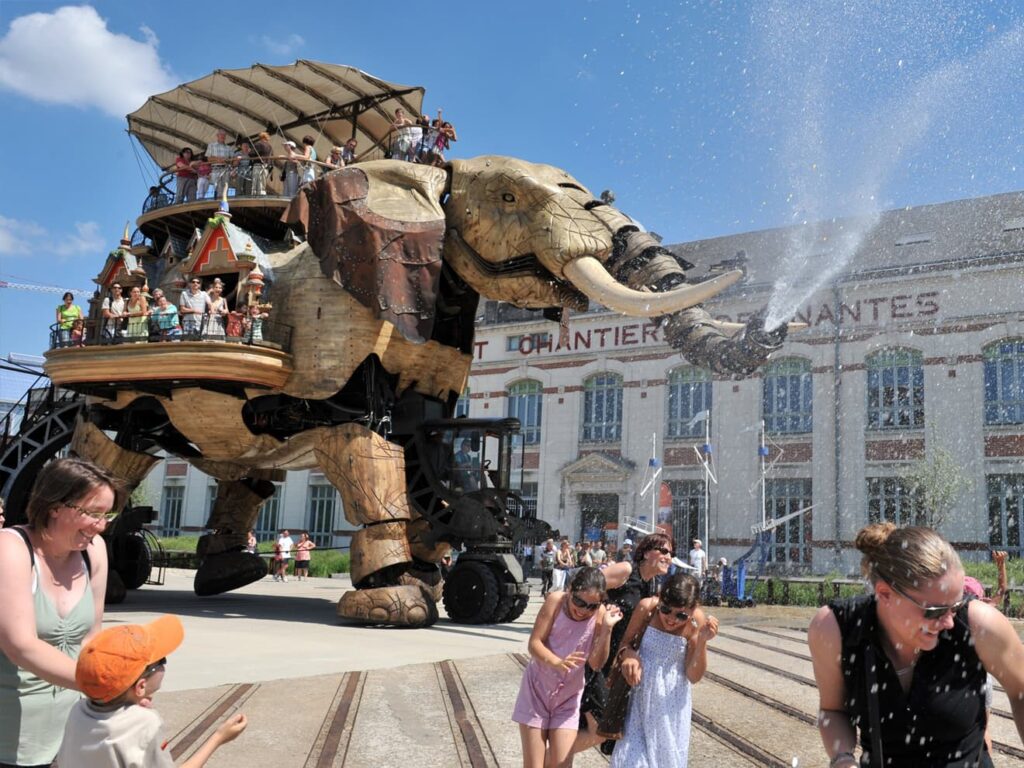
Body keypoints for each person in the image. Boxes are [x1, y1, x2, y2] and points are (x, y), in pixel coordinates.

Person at [808, 523, 1024, 768]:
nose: (950, 622)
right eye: (934, 611)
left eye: (955, 606)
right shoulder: (836, 629)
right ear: (884, 594)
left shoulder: (979, 625)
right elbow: (833, 710)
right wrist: (842, 759)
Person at [0, 458, 122, 767]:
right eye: (92, 513)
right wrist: (102, 684)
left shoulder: (95, 552)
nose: (101, 524)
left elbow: (91, 637)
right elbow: (21, 645)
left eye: (107, 514)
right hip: (12, 739)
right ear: (54, 506)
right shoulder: (10, 548)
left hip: (71, 734)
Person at [57, 614, 247, 767]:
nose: (164, 664)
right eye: (161, 661)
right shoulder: (146, 723)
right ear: (140, 686)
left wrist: (132, 704)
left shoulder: (78, 711)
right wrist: (219, 737)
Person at [512, 567, 622, 768]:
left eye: (591, 606)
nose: (583, 610)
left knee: (561, 764)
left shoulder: (600, 614)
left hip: (568, 698)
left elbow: (596, 664)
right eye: (579, 602)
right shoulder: (556, 601)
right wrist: (557, 662)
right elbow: (534, 643)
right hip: (536, 692)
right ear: (570, 590)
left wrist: (607, 628)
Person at [610, 572, 718, 767]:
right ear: (659, 598)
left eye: (681, 615)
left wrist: (701, 641)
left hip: (671, 705)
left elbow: (693, 676)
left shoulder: (697, 621)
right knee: (630, 762)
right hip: (639, 701)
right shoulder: (646, 608)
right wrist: (629, 656)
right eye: (666, 609)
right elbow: (623, 645)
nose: (671, 619)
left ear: (693, 609)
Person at [206, 130, 233, 198]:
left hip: (226, 170)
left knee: (225, 190)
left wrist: (227, 161)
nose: (223, 136)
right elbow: (208, 159)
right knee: (217, 190)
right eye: (221, 134)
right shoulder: (211, 145)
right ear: (217, 136)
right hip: (215, 169)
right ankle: (218, 206)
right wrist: (218, 159)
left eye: (224, 135)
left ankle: (224, 207)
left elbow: (232, 160)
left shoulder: (229, 148)